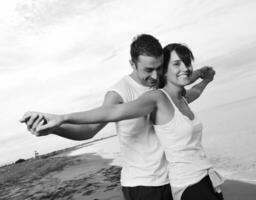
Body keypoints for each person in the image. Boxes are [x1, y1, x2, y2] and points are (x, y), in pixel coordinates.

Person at [20, 34, 214, 200]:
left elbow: (184, 96)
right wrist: (56, 125)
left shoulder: (159, 87)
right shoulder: (120, 92)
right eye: (148, 70)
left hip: (171, 180)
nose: (155, 76)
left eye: (159, 67)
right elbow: (89, 130)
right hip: (143, 185)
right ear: (132, 63)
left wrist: (202, 76)